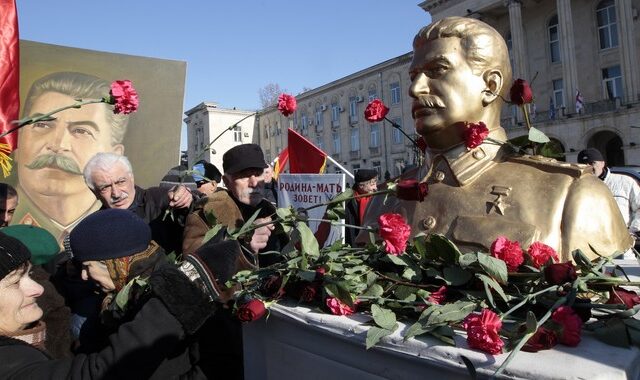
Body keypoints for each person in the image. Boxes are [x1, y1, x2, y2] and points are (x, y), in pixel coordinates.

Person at [360, 17, 632, 262]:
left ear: (490, 86)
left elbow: (592, 305)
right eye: (413, 76)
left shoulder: (572, 194)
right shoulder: (386, 197)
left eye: (437, 70)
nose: (414, 89)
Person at [0, 213, 243, 379]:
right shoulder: (112, 298)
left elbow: (220, 365)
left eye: (88, 266)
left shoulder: (185, 297)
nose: (84, 277)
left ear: (117, 264)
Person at [11, 72, 129, 244]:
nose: (58, 145)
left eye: (81, 131)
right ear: (17, 142)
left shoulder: (120, 233)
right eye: (42, 124)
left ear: (113, 157)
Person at [182, 143, 287, 266]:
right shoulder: (208, 211)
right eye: (244, 176)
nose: (254, 183)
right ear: (227, 181)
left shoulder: (269, 209)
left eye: (258, 174)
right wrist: (243, 244)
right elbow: (192, 263)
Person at [83, 152, 194, 255]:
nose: (116, 194)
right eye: (105, 187)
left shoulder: (160, 199)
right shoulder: (94, 229)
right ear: (94, 192)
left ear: (131, 178)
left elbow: (198, 213)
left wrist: (187, 199)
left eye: (121, 182)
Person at [577, 148, 640, 236]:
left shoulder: (625, 182)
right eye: (583, 164)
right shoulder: (576, 187)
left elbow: (638, 208)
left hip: (621, 240)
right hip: (589, 240)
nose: (588, 167)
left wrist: (633, 232)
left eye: (592, 163)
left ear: (603, 163)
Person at [345, 169, 378, 246]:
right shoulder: (348, 201)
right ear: (361, 186)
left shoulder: (376, 198)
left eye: (375, 184)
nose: (375, 187)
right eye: (372, 184)